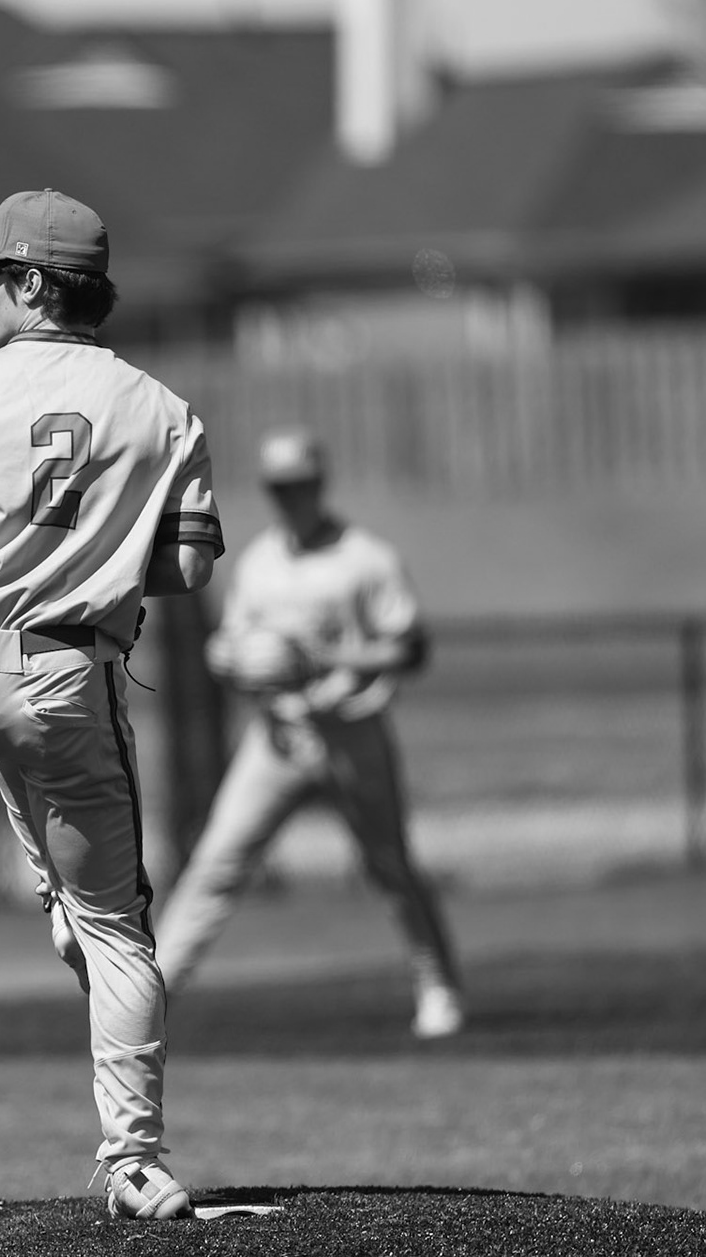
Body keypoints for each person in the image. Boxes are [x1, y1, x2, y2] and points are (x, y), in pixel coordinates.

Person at [0, 188, 224, 1221]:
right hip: (61, 678)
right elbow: (190, 569)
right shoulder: (161, 407)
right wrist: (91, 564)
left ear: (32, 282)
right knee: (121, 930)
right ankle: (136, 1155)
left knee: (75, 901)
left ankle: (64, 912)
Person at [151, 426, 465, 1040]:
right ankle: (151, 998)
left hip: (351, 733)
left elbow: (412, 648)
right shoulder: (261, 561)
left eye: (298, 484)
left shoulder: (365, 558)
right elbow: (237, 645)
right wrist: (232, 660)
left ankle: (440, 984)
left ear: (320, 482)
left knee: (390, 867)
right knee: (215, 863)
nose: (289, 497)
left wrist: (327, 659)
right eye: (278, 487)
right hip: (277, 739)